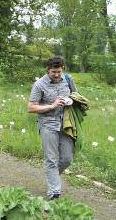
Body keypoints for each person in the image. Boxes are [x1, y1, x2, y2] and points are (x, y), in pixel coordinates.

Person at [27, 56, 78, 200]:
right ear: (48, 70)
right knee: (51, 159)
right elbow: (30, 107)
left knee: (67, 158)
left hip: (66, 125)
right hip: (47, 125)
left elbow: (77, 97)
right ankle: (54, 192)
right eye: (53, 72)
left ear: (63, 70)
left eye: (59, 72)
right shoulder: (39, 85)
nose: (56, 75)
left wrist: (71, 101)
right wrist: (51, 106)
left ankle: (52, 176)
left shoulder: (68, 79)